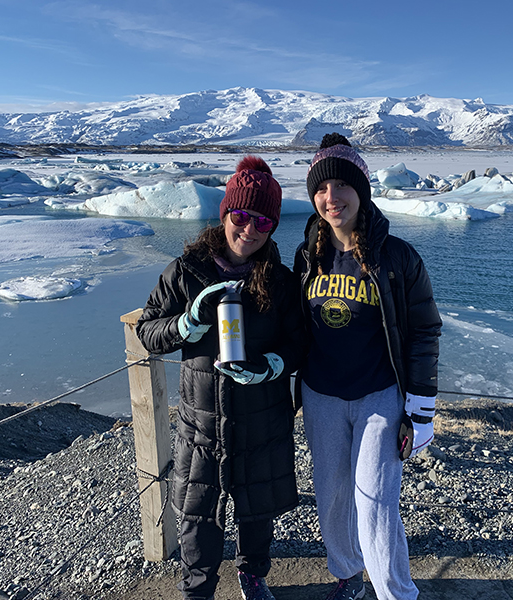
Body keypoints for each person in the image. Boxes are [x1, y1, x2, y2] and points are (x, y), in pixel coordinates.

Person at [136, 156, 305, 600]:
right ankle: (197, 588)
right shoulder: (185, 271)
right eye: (242, 216)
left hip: (263, 419)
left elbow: (299, 345)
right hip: (201, 424)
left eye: (263, 221)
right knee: (198, 515)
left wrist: (271, 366)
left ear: (273, 228)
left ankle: (253, 574)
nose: (249, 230)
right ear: (225, 212)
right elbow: (149, 331)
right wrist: (185, 325)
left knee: (256, 509)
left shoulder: (281, 282)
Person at [294, 133, 442, 600]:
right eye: (321, 189)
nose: (330, 198)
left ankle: (396, 594)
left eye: (341, 186)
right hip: (321, 396)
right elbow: (292, 325)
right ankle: (347, 576)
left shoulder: (396, 257)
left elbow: (423, 331)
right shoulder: (307, 256)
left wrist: (420, 410)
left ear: (362, 191)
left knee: (375, 503)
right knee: (332, 496)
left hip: (379, 396)